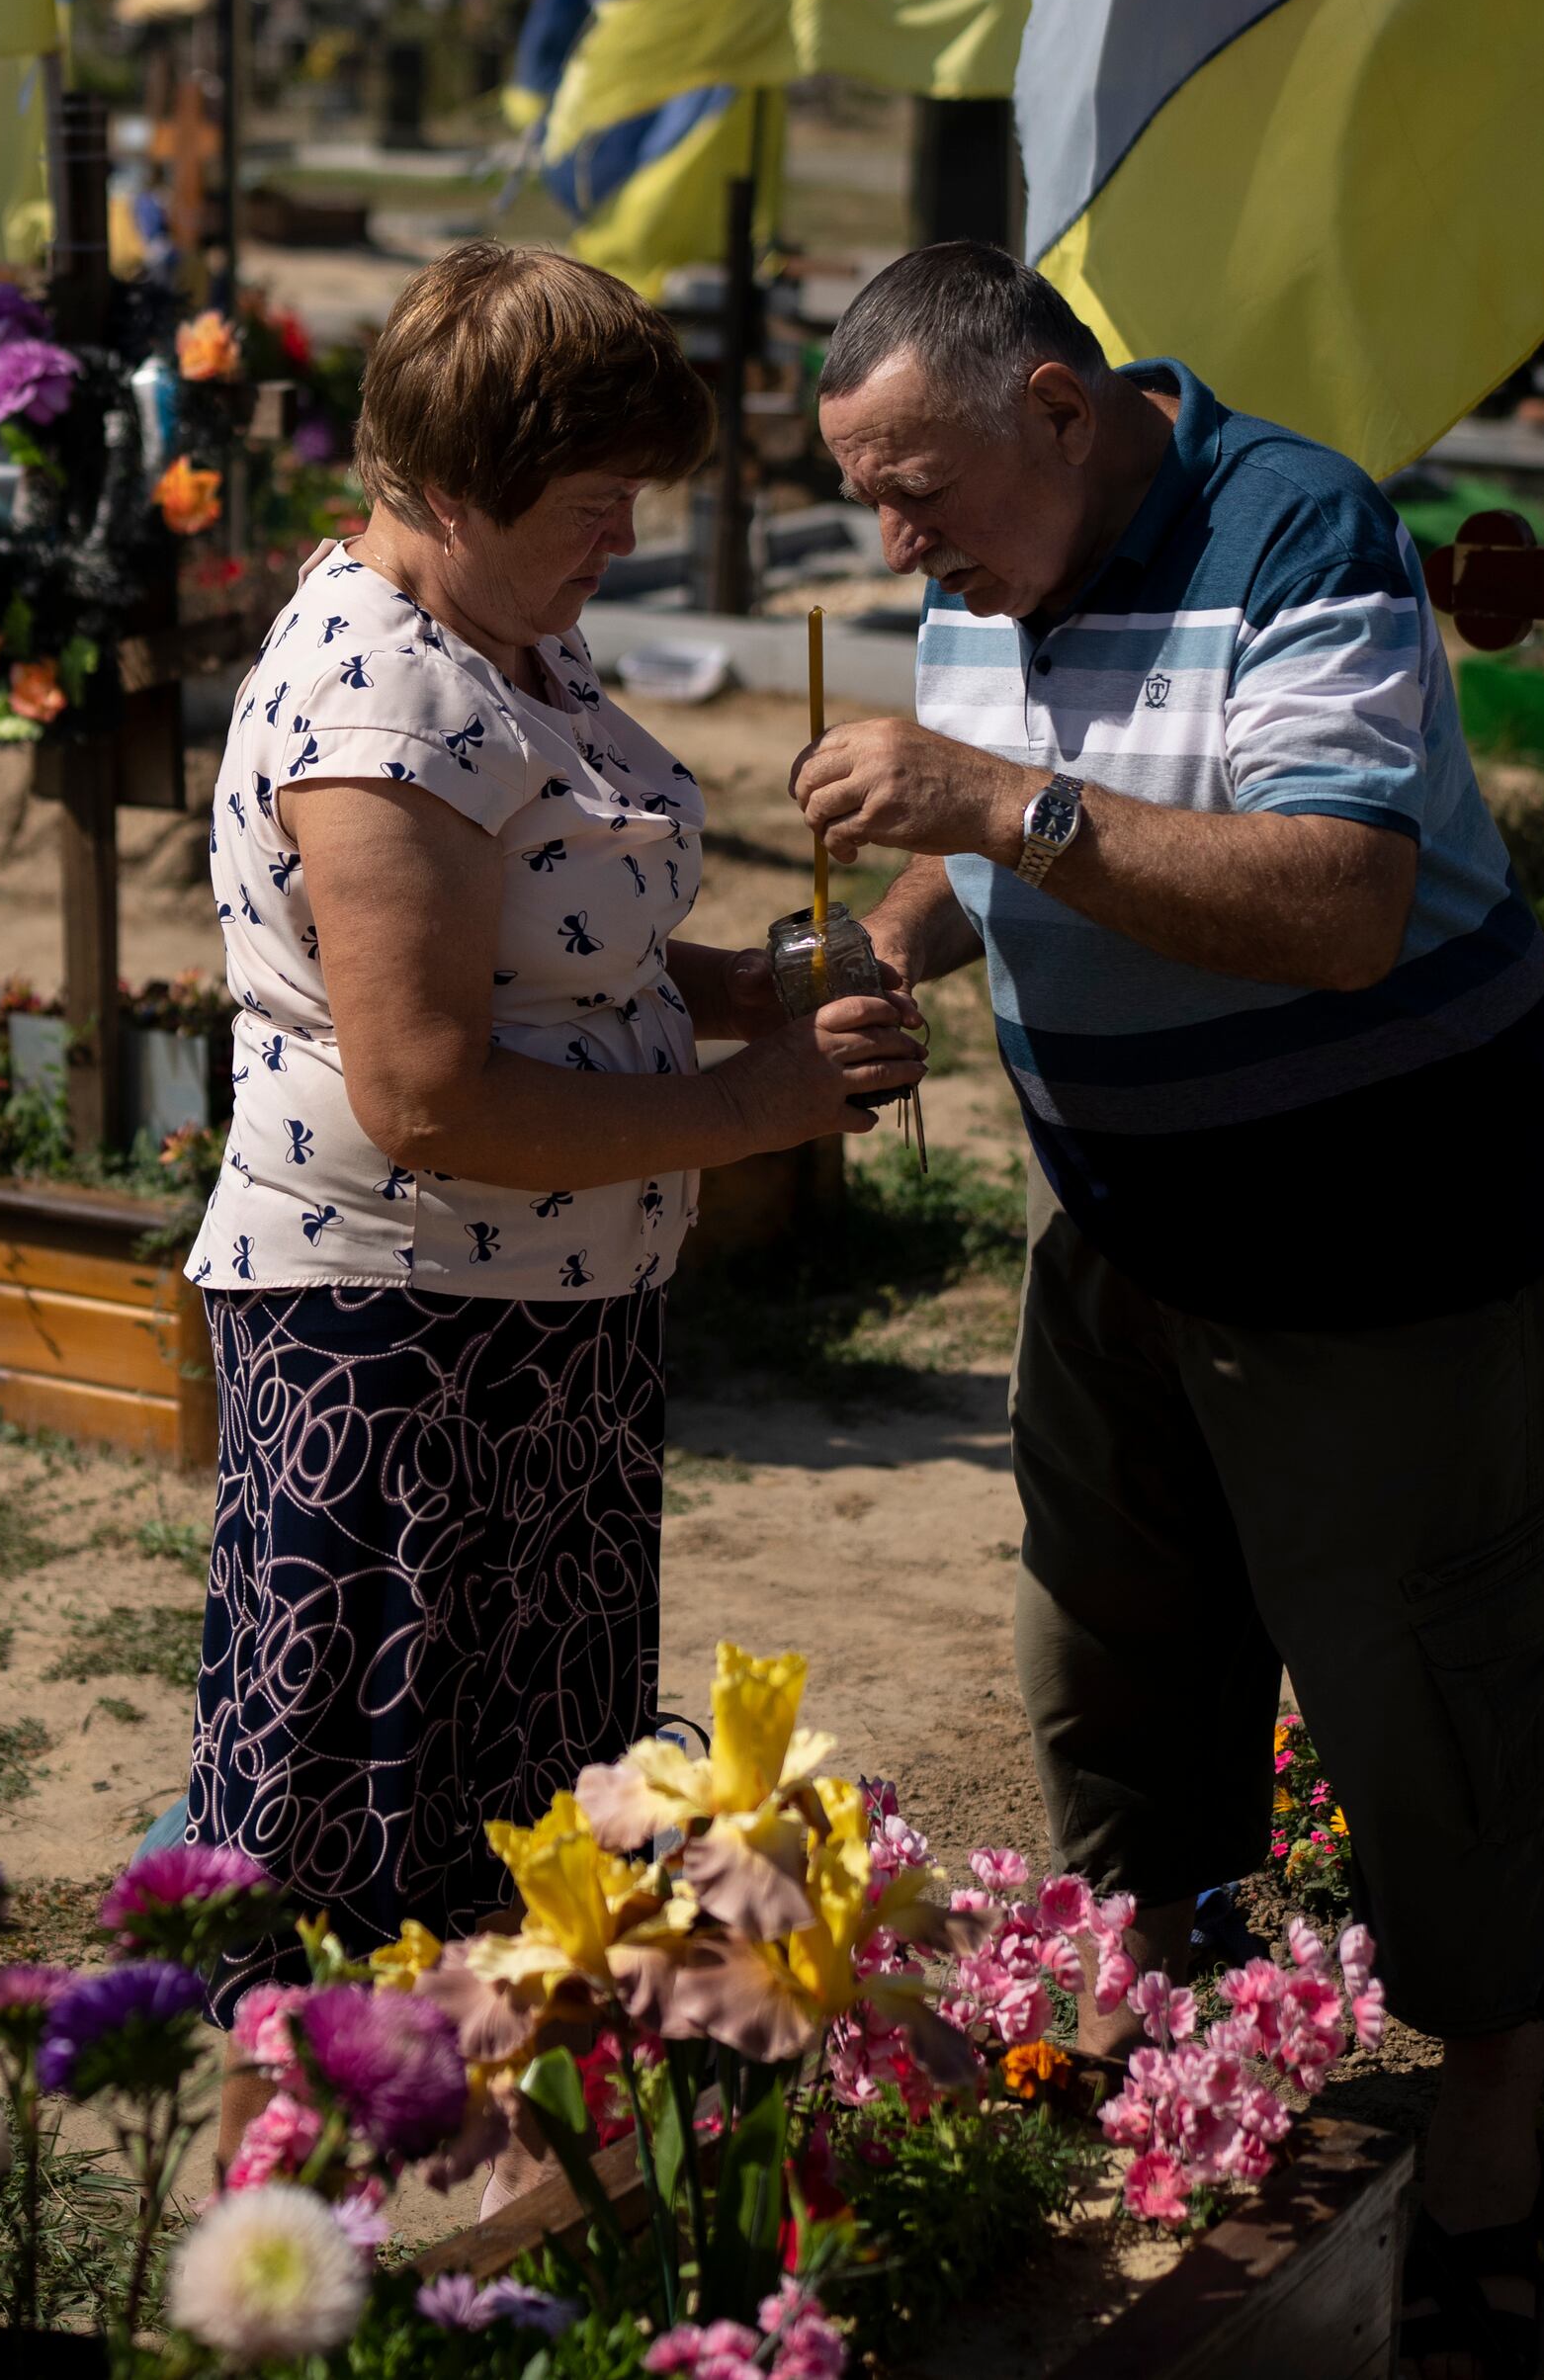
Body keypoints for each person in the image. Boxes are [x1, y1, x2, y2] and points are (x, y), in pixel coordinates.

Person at [788, 246, 1544, 2380]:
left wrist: (993, 806)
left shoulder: (1296, 524)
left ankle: (1497, 2123)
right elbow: (986, 855)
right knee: (1112, 1686)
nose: (894, 542)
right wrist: (874, 949)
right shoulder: (995, 547)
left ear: (1059, 406)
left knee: (1437, 1702)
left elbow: (1328, 900)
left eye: (914, 487)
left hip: (1383, 1235)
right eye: (865, 499)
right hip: (1131, 1229)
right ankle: (1206, 2074)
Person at [183, 241, 925, 1974]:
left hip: (528, 1329)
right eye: (594, 500)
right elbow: (431, 1090)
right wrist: (762, 1101)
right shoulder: (381, 702)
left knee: (529, 1835)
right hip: (403, 1339)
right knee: (374, 1846)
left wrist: (747, 984)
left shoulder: (497, 630)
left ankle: (508, 2195)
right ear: (451, 487)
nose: (625, 537)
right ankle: (332, 2188)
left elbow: (553, 956)